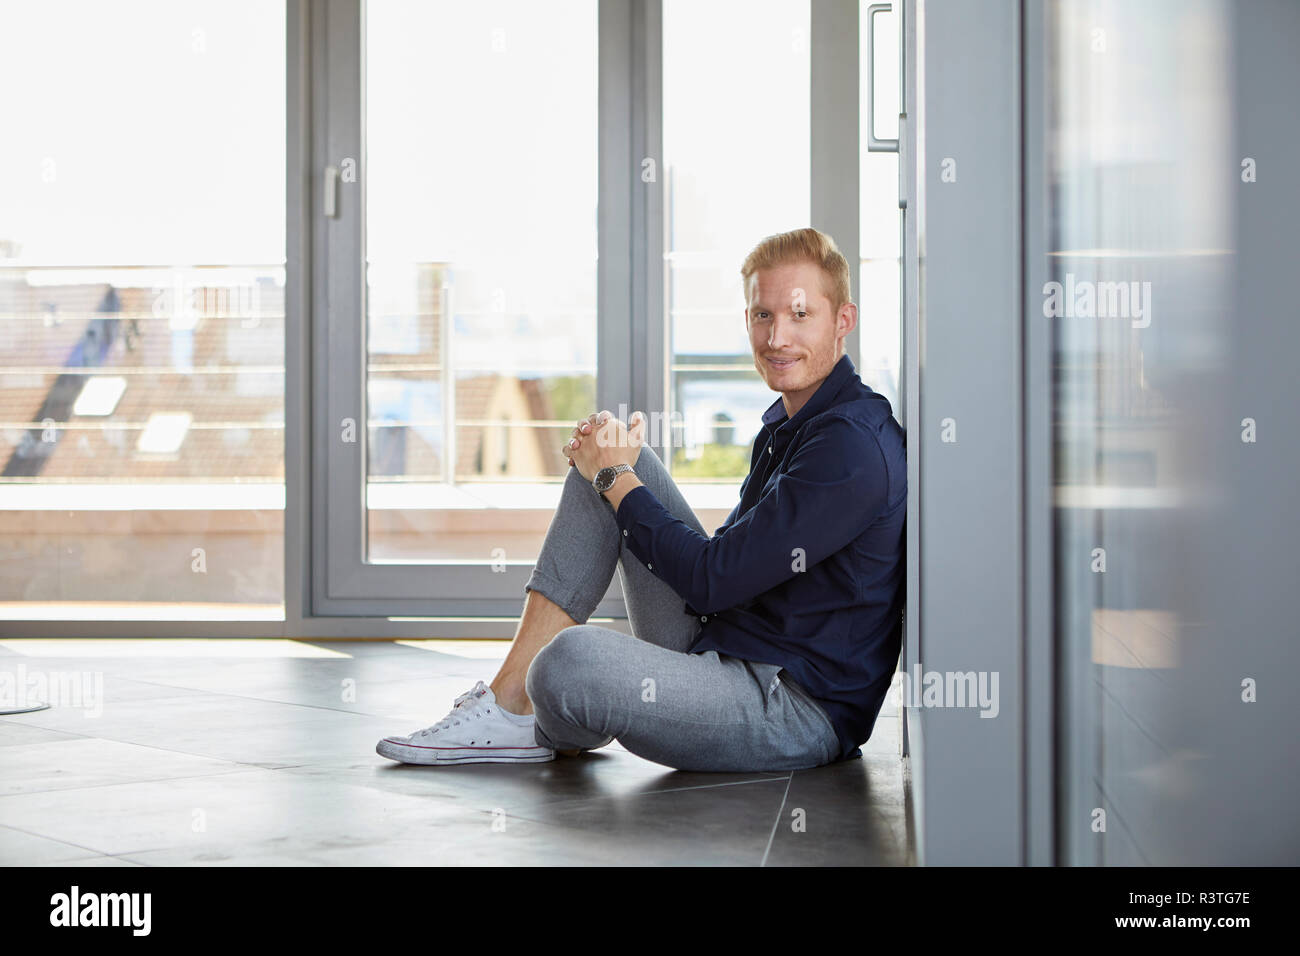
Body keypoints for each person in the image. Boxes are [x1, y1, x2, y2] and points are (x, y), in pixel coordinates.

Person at [376, 227, 907, 772]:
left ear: (844, 319)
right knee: (611, 465)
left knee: (568, 663)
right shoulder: (792, 424)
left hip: (791, 706)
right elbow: (722, 573)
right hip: (728, 647)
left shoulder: (850, 446)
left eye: (799, 314)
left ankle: (551, 714)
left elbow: (711, 580)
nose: (776, 338)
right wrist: (612, 474)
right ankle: (510, 703)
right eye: (762, 316)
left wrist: (617, 481)